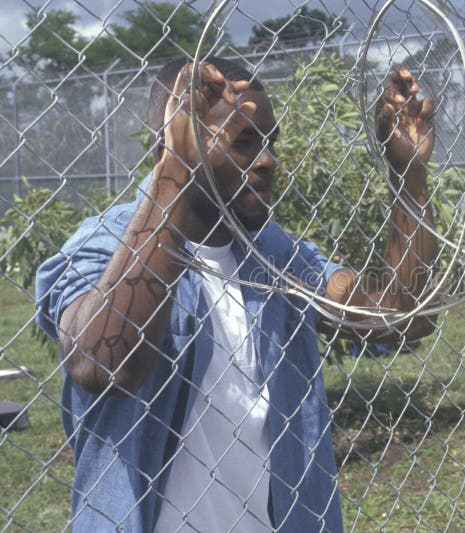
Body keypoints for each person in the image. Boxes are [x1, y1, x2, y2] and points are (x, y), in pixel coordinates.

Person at [35, 55, 437, 532]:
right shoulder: (107, 243)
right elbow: (102, 364)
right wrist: (176, 169)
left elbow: (399, 316)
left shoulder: (275, 255)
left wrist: (407, 174)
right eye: (245, 141)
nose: (267, 161)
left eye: (270, 142)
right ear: (179, 138)